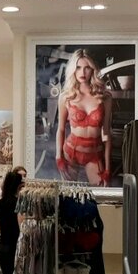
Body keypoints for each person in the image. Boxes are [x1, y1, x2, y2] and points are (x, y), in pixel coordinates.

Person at [55, 49, 113, 186]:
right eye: (78, 67)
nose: (82, 72)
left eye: (87, 68)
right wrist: (59, 157)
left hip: (95, 154)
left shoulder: (105, 97)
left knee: (101, 192)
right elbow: (61, 129)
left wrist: (107, 168)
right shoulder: (65, 97)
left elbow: (106, 133)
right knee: (68, 194)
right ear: (73, 70)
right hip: (70, 151)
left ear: (92, 70)